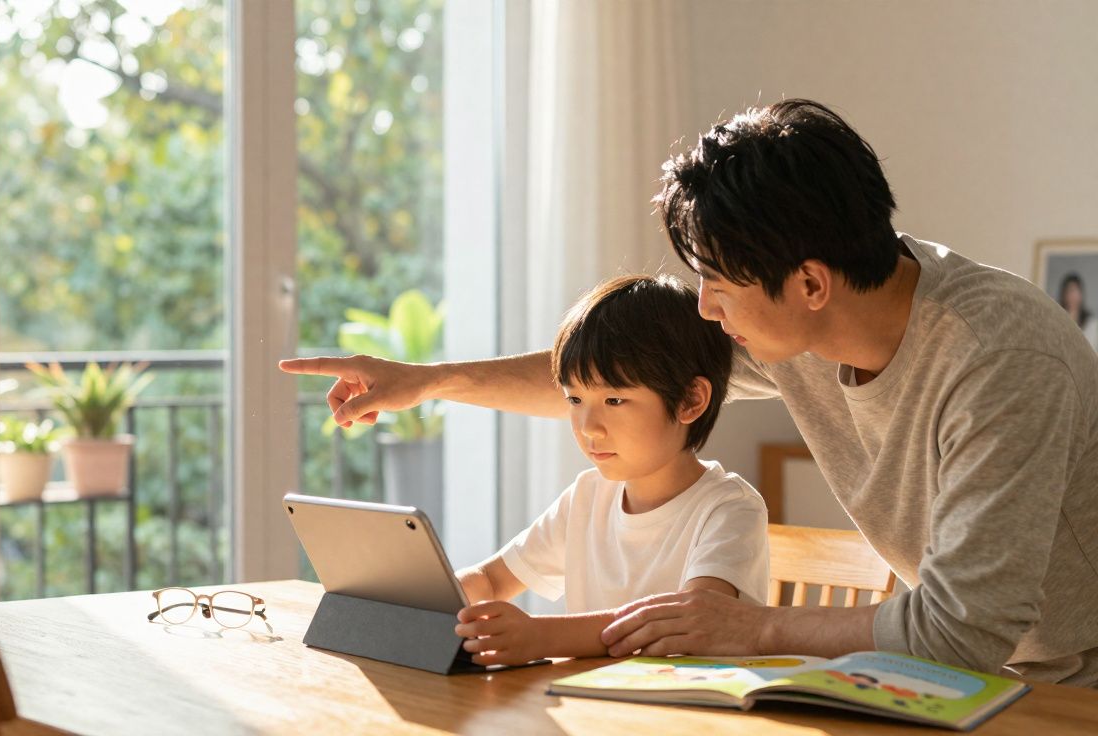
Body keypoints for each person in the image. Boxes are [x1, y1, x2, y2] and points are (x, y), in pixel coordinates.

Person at [280, 99, 1098, 686]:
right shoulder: (802, 324)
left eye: (717, 285)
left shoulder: (999, 361)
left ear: (810, 282)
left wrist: (760, 626)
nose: (703, 308)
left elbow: (960, 629)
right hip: (980, 677)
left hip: (1070, 679)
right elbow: (628, 375)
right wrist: (430, 382)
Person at [452, 274, 768, 666]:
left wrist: (544, 636)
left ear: (690, 400)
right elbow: (493, 580)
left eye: (614, 399)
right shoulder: (588, 496)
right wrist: (426, 597)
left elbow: (687, 621)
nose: (587, 427)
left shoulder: (729, 508)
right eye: (575, 398)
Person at [1057, 272, 1098, 351]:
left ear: (1081, 294)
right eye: (1069, 291)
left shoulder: (1091, 324)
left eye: (1075, 291)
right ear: (1064, 295)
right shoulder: (1058, 321)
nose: (1072, 296)